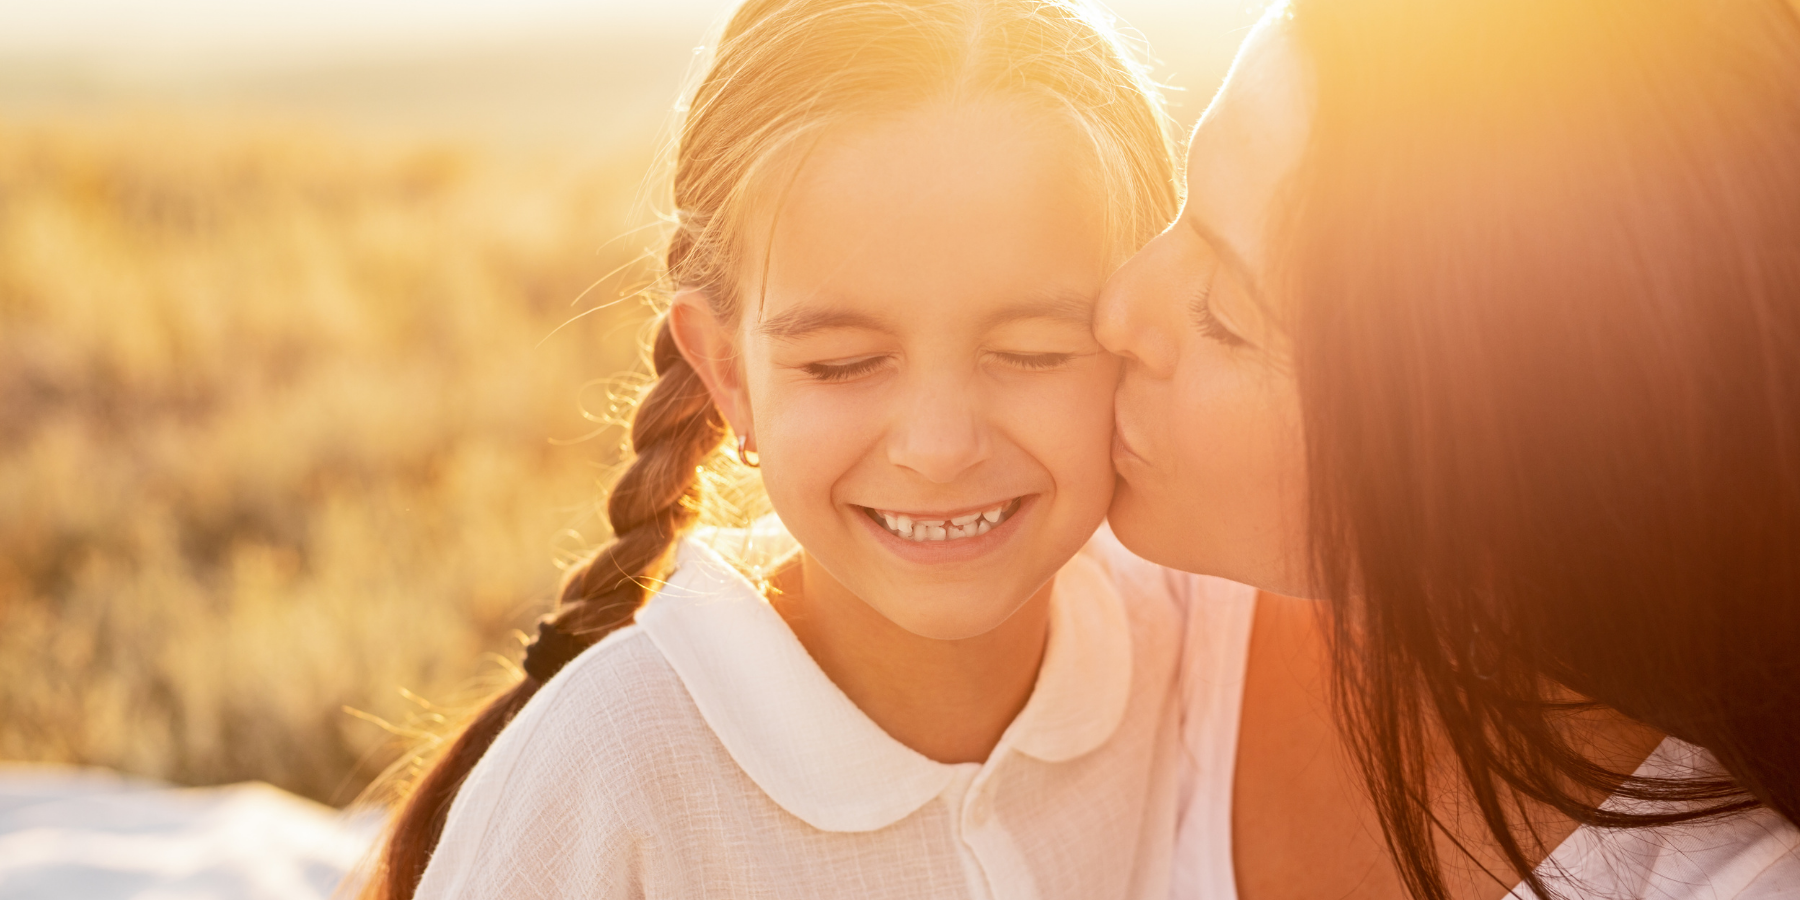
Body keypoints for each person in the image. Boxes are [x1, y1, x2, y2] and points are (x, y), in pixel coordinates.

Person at [356, 1, 1229, 898]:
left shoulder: (1192, 654)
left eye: (1031, 353)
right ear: (727, 375)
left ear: (1139, 336)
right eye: (843, 365)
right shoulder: (608, 769)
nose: (938, 447)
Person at [1098, 1, 1800, 898]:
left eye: (1225, 319)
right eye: (1180, 210)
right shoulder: (1096, 589)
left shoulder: (1724, 879)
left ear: (1503, 470)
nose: (1115, 311)